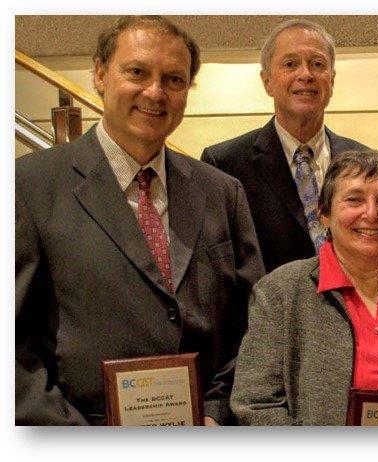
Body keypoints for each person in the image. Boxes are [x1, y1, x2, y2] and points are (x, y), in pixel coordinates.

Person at [15, 15, 265, 425]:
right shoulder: (28, 186)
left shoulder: (222, 192)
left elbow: (254, 327)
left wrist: (218, 414)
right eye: (137, 72)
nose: (155, 92)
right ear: (99, 73)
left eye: (173, 80)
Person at [230, 150, 378, 425]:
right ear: (324, 214)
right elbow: (255, 404)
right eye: (355, 199)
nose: (371, 213)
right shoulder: (280, 293)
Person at [201, 19, 372, 274]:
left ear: (332, 80)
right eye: (290, 64)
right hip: (265, 312)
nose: (306, 74)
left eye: (317, 64)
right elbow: (214, 272)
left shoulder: (367, 163)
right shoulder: (224, 164)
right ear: (267, 81)